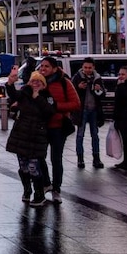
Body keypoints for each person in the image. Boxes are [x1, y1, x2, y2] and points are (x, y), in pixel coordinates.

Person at [6, 71, 57, 207]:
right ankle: (27, 190)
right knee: (23, 167)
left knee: (33, 166)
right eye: (33, 81)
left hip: (37, 136)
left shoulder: (47, 97)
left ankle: (39, 194)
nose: (35, 83)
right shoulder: (24, 93)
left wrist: (37, 97)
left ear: (43, 84)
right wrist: (10, 83)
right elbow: (13, 95)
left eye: (39, 81)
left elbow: (50, 111)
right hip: (21, 135)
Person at [36, 56, 80, 204]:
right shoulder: (37, 82)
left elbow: (75, 103)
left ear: (54, 69)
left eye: (46, 66)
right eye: (42, 66)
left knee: (56, 159)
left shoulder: (64, 82)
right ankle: (46, 183)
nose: (43, 69)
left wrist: (57, 106)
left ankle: (56, 189)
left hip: (58, 127)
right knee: (38, 156)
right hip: (41, 126)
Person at [72, 57, 105, 169]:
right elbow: (71, 92)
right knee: (80, 134)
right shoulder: (77, 77)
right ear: (82, 67)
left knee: (95, 135)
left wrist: (98, 89)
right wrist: (78, 87)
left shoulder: (97, 78)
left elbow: (102, 94)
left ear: (93, 67)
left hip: (94, 109)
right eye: (85, 67)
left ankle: (96, 158)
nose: (87, 70)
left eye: (90, 68)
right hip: (82, 110)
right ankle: (80, 159)